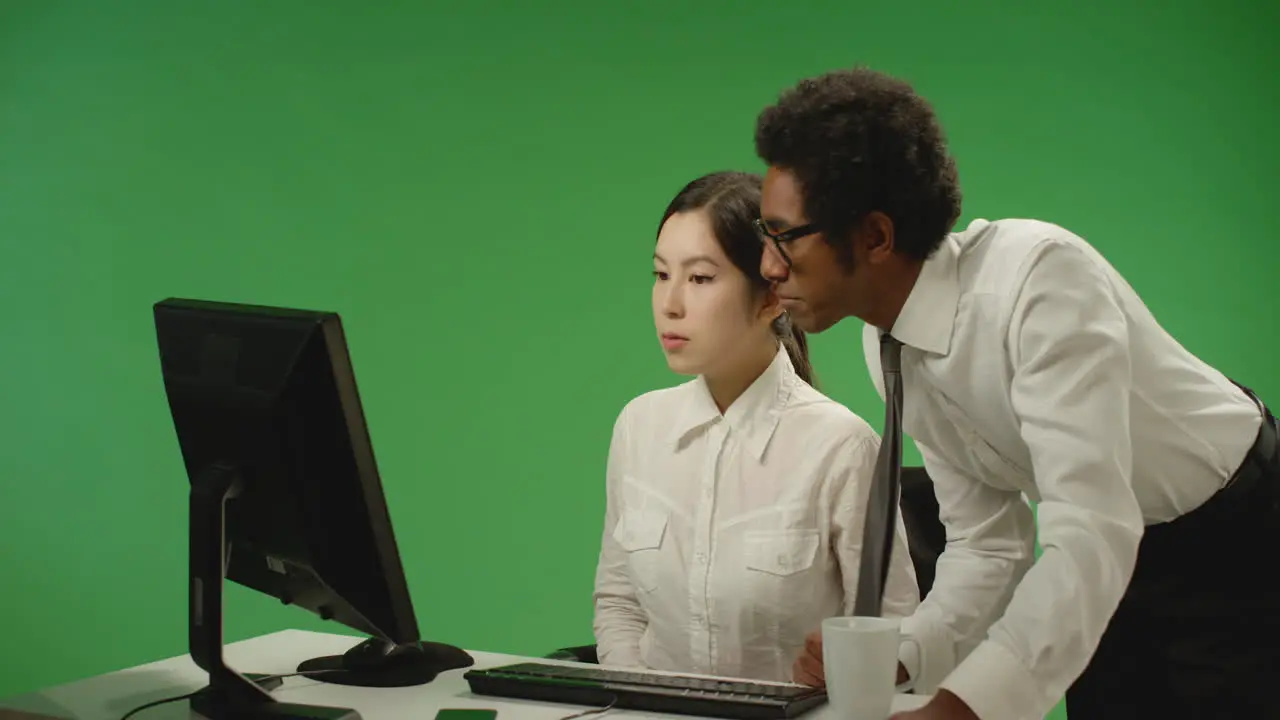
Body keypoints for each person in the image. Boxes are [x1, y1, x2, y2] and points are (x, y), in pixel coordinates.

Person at [755, 67, 1280, 720]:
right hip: (1113, 564)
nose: (768, 265)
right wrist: (905, 655)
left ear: (875, 237)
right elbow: (988, 544)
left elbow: (1090, 531)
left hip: (1238, 541)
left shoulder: (1040, 283)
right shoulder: (886, 345)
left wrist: (960, 708)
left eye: (785, 236)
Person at [591, 170, 921, 684]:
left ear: (771, 297)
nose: (669, 303)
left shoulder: (840, 445)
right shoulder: (639, 426)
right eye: (661, 275)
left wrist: (852, 674)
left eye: (699, 278)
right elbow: (619, 603)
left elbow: (895, 638)